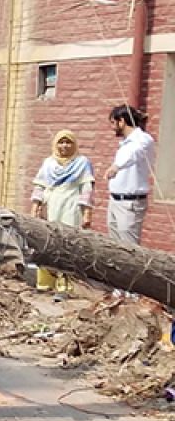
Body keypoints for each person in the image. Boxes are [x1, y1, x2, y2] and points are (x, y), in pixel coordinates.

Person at [30, 130, 93, 295]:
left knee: (67, 244)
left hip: (71, 206)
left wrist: (87, 213)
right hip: (51, 206)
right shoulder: (48, 163)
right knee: (46, 244)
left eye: (68, 142)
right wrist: (35, 207)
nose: (64, 146)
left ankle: (64, 285)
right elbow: (39, 187)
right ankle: (45, 283)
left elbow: (87, 189)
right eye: (61, 142)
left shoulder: (82, 163)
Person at [104, 104, 155, 247]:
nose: (112, 127)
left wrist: (116, 166)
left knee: (129, 249)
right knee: (114, 247)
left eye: (113, 123)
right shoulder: (125, 143)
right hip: (115, 201)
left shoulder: (143, 139)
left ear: (122, 121)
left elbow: (134, 153)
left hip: (130, 204)